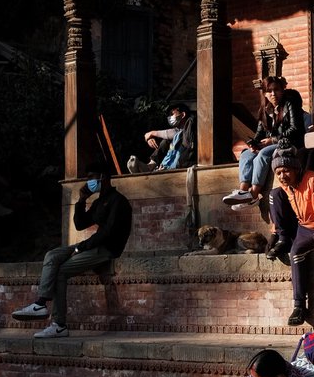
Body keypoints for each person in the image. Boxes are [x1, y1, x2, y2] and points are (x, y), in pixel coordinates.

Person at [11, 168, 132, 338]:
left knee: (61, 272)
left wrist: (80, 247)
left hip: (107, 249)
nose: (88, 181)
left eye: (91, 177)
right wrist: (81, 200)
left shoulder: (118, 201)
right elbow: (80, 224)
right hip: (93, 245)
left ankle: (58, 324)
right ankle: (40, 304)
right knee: (51, 255)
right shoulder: (99, 202)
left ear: (103, 177)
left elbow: (108, 233)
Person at [264, 145, 314, 327]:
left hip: (313, 228)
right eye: (278, 172)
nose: (282, 176)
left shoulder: (313, 181)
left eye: (286, 171)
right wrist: (274, 235)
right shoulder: (285, 185)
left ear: (296, 168)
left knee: (296, 252)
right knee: (274, 195)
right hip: (298, 224)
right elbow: (279, 209)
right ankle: (283, 239)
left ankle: (299, 306)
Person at [224, 76, 306, 208]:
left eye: (277, 90)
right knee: (245, 154)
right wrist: (253, 143)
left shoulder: (290, 104)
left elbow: (295, 129)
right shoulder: (264, 109)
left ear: (282, 90)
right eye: (270, 91)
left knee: (262, 155)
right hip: (269, 144)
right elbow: (259, 134)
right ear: (265, 93)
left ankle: (254, 194)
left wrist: (273, 139)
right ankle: (243, 191)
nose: (273, 94)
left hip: (287, 143)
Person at [128, 103, 196, 173]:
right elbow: (173, 133)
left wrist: (152, 133)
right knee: (166, 140)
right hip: (173, 164)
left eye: (173, 114)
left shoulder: (191, 124)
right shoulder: (177, 134)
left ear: (182, 115)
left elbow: (173, 133)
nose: (170, 117)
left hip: (183, 165)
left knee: (168, 138)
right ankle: (150, 166)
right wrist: (150, 138)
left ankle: (153, 167)